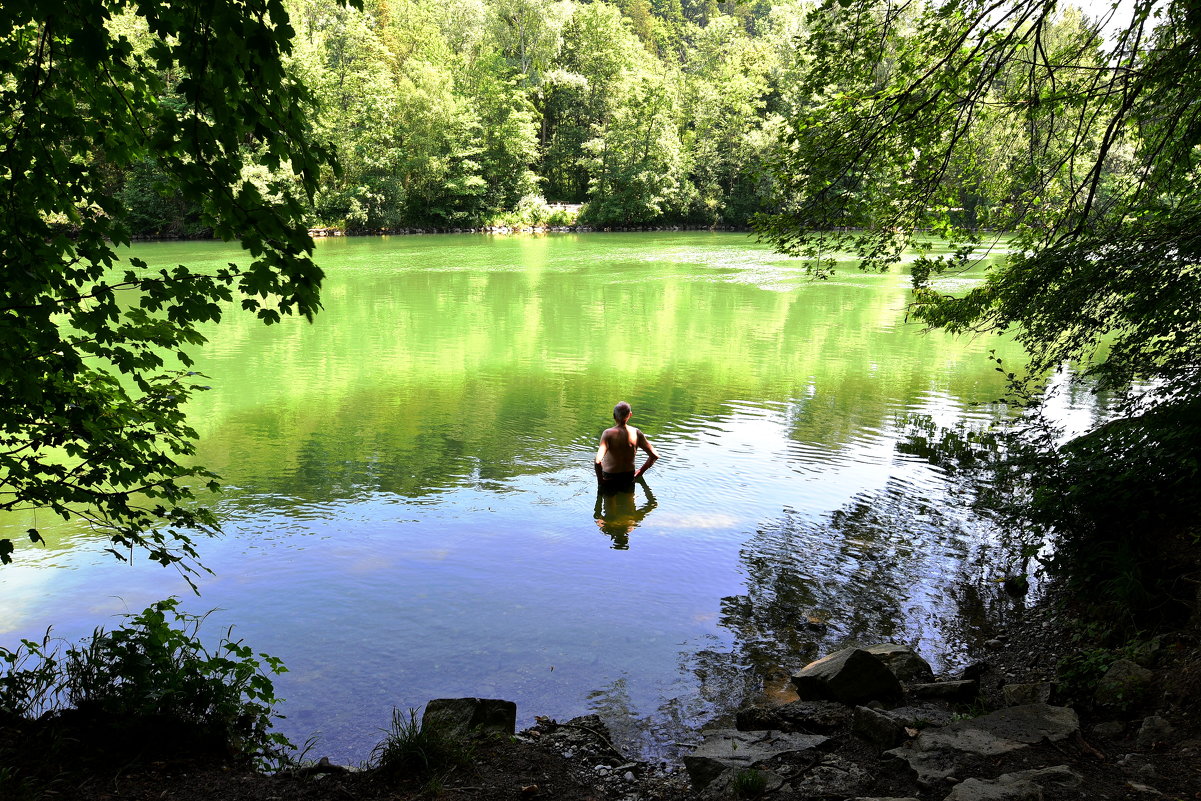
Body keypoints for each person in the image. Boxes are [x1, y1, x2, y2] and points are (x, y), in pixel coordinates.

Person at [594, 401, 658, 493]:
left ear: (614, 416)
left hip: (610, 476)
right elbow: (654, 455)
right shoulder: (636, 433)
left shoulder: (607, 434)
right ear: (630, 415)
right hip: (628, 477)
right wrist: (640, 472)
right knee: (630, 505)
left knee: (609, 506)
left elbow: (597, 461)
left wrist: (601, 481)